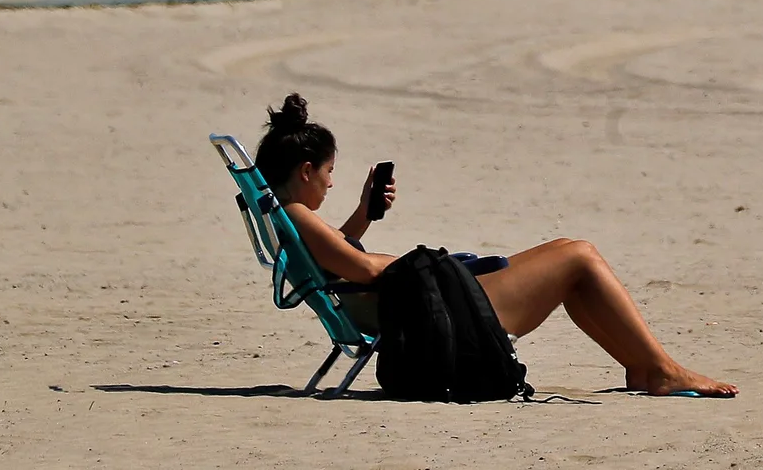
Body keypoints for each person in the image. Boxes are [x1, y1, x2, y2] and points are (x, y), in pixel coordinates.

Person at [254, 94, 735, 397]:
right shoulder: (297, 214)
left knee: (568, 250)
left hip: (427, 302)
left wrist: (365, 211)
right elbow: (367, 273)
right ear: (305, 171)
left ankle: (643, 365)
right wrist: (424, 264)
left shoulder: (287, 219)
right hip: (437, 312)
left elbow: (341, 261)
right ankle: (663, 370)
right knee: (579, 255)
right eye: (329, 172)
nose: (330, 184)